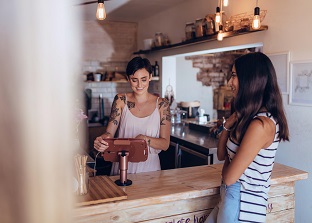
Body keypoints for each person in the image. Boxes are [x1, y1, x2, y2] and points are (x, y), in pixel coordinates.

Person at [205, 52, 289, 223]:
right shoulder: (248, 117)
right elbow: (221, 155)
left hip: (242, 203)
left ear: (250, 80)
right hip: (231, 196)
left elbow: (229, 177)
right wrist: (228, 124)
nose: (230, 82)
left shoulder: (261, 125)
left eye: (234, 76)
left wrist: (231, 163)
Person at [93, 56, 171, 175]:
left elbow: (165, 144)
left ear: (150, 77)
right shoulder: (120, 100)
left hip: (150, 170)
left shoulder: (162, 104)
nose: (139, 85)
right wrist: (103, 140)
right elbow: (109, 133)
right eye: (134, 80)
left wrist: (144, 140)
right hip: (121, 167)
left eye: (143, 79)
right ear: (128, 79)